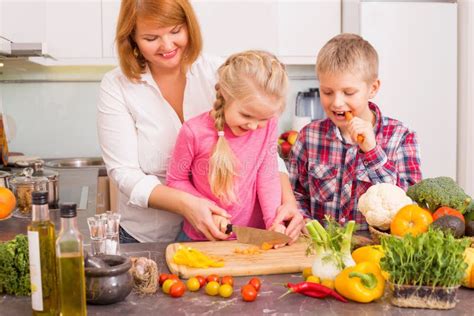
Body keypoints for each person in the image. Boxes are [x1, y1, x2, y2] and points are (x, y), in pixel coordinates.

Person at [97, 0, 304, 243]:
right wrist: (189, 204)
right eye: (151, 38)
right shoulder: (116, 86)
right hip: (148, 236)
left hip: (223, 238)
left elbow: (264, 155)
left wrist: (288, 204)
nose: (167, 45)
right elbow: (125, 173)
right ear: (131, 38)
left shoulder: (220, 72)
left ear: (189, 26)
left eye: (175, 31)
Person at [288, 33, 422, 229]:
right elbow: (295, 195)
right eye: (327, 92)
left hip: (375, 253)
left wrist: (372, 151)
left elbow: (410, 206)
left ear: (373, 88)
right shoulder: (309, 137)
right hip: (320, 250)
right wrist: (307, 225)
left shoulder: (401, 137)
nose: (337, 102)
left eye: (348, 93)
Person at [167, 50, 288, 241]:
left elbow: (267, 175)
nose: (254, 126)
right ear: (224, 93)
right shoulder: (193, 132)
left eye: (263, 118)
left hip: (250, 239)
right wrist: (209, 210)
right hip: (201, 239)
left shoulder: (269, 126)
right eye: (246, 115)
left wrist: (274, 222)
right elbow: (175, 180)